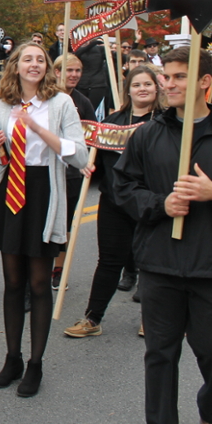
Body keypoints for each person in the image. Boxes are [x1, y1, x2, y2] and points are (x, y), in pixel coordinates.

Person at [111, 46, 212, 424]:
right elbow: (123, 187)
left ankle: (211, 406)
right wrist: (160, 204)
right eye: (166, 76)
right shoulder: (147, 135)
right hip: (159, 262)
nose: (169, 84)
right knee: (160, 357)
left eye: (179, 76)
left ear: (204, 81)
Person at [0, 42, 87, 397]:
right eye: (27, 59)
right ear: (16, 66)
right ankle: (12, 357)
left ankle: (35, 364)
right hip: (11, 187)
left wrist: (38, 129)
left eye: (40, 60)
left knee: (39, 283)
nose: (34, 64)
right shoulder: (2, 104)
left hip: (43, 190)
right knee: (12, 283)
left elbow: (78, 153)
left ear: (48, 68)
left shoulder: (61, 103)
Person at [63, 65, 164, 339]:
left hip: (152, 203)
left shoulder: (168, 123)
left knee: (151, 263)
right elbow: (98, 160)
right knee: (109, 261)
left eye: (147, 84)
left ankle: (151, 318)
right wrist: (88, 166)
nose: (142, 89)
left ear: (156, 88)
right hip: (115, 202)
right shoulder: (111, 123)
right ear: (128, 90)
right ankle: (92, 318)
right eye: (136, 85)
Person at [50, 54, 97, 291]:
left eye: (78, 70)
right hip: (47, 170)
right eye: (69, 70)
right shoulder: (46, 97)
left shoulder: (83, 102)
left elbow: (90, 138)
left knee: (64, 223)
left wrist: (86, 161)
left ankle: (59, 269)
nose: (75, 75)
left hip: (71, 174)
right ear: (57, 72)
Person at [74, 37, 112, 117]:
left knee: (90, 109)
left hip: (98, 84)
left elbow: (114, 58)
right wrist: (93, 43)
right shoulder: (78, 50)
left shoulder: (100, 49)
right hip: (82, 84)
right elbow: (76, 55)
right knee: (80, 110)